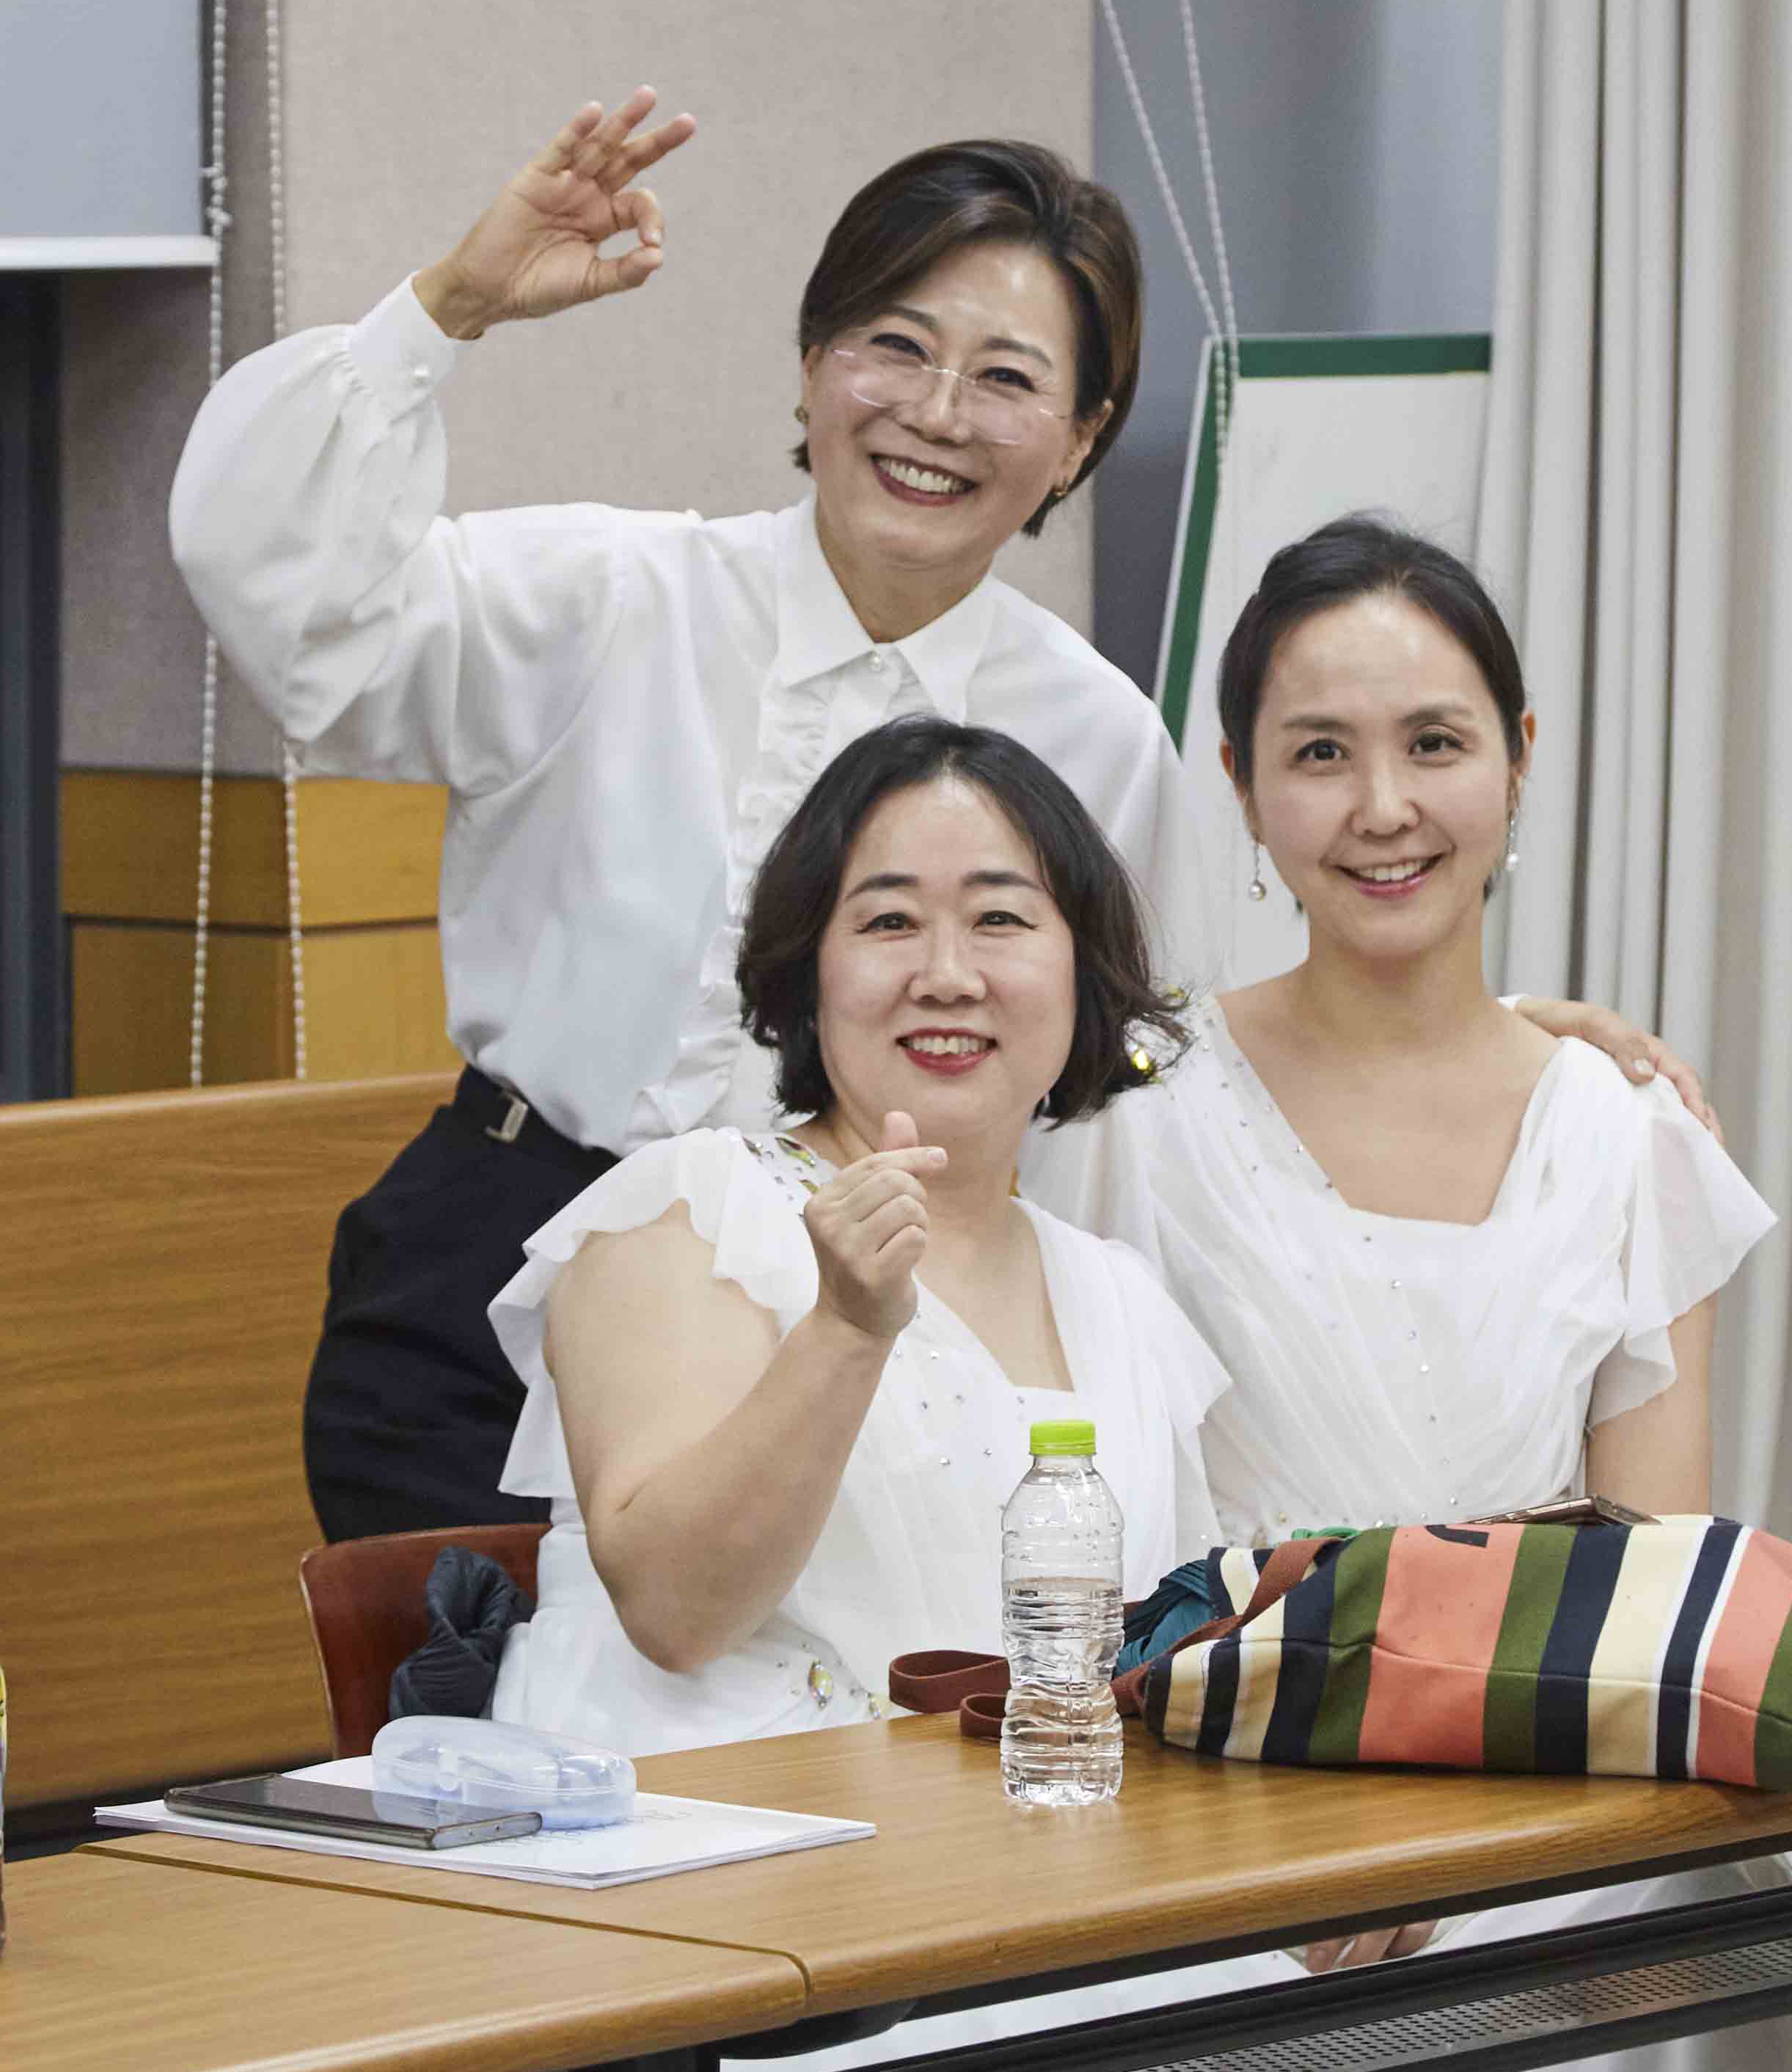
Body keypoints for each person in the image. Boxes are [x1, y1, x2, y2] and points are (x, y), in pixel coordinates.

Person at [169, 92, 1705, 1544]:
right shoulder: (606, 595)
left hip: (892, 1328)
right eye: (895, 347)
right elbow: (298, 608)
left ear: (1083, 438)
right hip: (504, 1264)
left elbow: (1156, 1065)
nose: (937, 414)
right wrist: (453, 303)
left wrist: (1473, 1035)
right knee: (501, 1728)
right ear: (812, 364)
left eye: (1010, 379)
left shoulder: (1093, 734)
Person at [1036, 514, 1792, 2072]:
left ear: (1520, 760)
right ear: (1244, 790)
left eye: (1436, 743)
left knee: (1700, 1941)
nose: (1384, 806)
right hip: (1247, 1798)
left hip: (1552, 1789)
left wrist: (1478, 1820)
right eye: (1320, 751)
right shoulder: (1131, 1118)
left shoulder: (1625, 1133)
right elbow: (1100, 1544)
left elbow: (1655, 1578)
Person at [464, 717, 1467, 2072]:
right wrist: (847, 1329)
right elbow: (675, 1601)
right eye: (888, 919)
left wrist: (1324, 1854)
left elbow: (1162, 1670)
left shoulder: (1119, 1296)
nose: (947, 970)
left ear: (1082, 973)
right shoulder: (686, 1207)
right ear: (807, 969)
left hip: (1025, 1915)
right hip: (732, 1966)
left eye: (1002, 916)